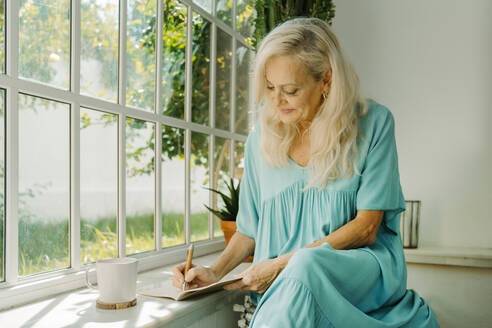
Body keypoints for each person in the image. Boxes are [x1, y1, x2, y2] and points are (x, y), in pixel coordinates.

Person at [172, 17, 439, 327]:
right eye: (270, 87)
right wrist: (215, 272)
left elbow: (367, 227)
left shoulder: (374, 123)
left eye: (290, 90)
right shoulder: (261, 139)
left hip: (359, 274)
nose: (276, 99)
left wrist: (282, 265)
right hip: (288, 288)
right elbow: (248, 232)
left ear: (326, 81)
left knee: (305, 264)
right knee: (300, 271)